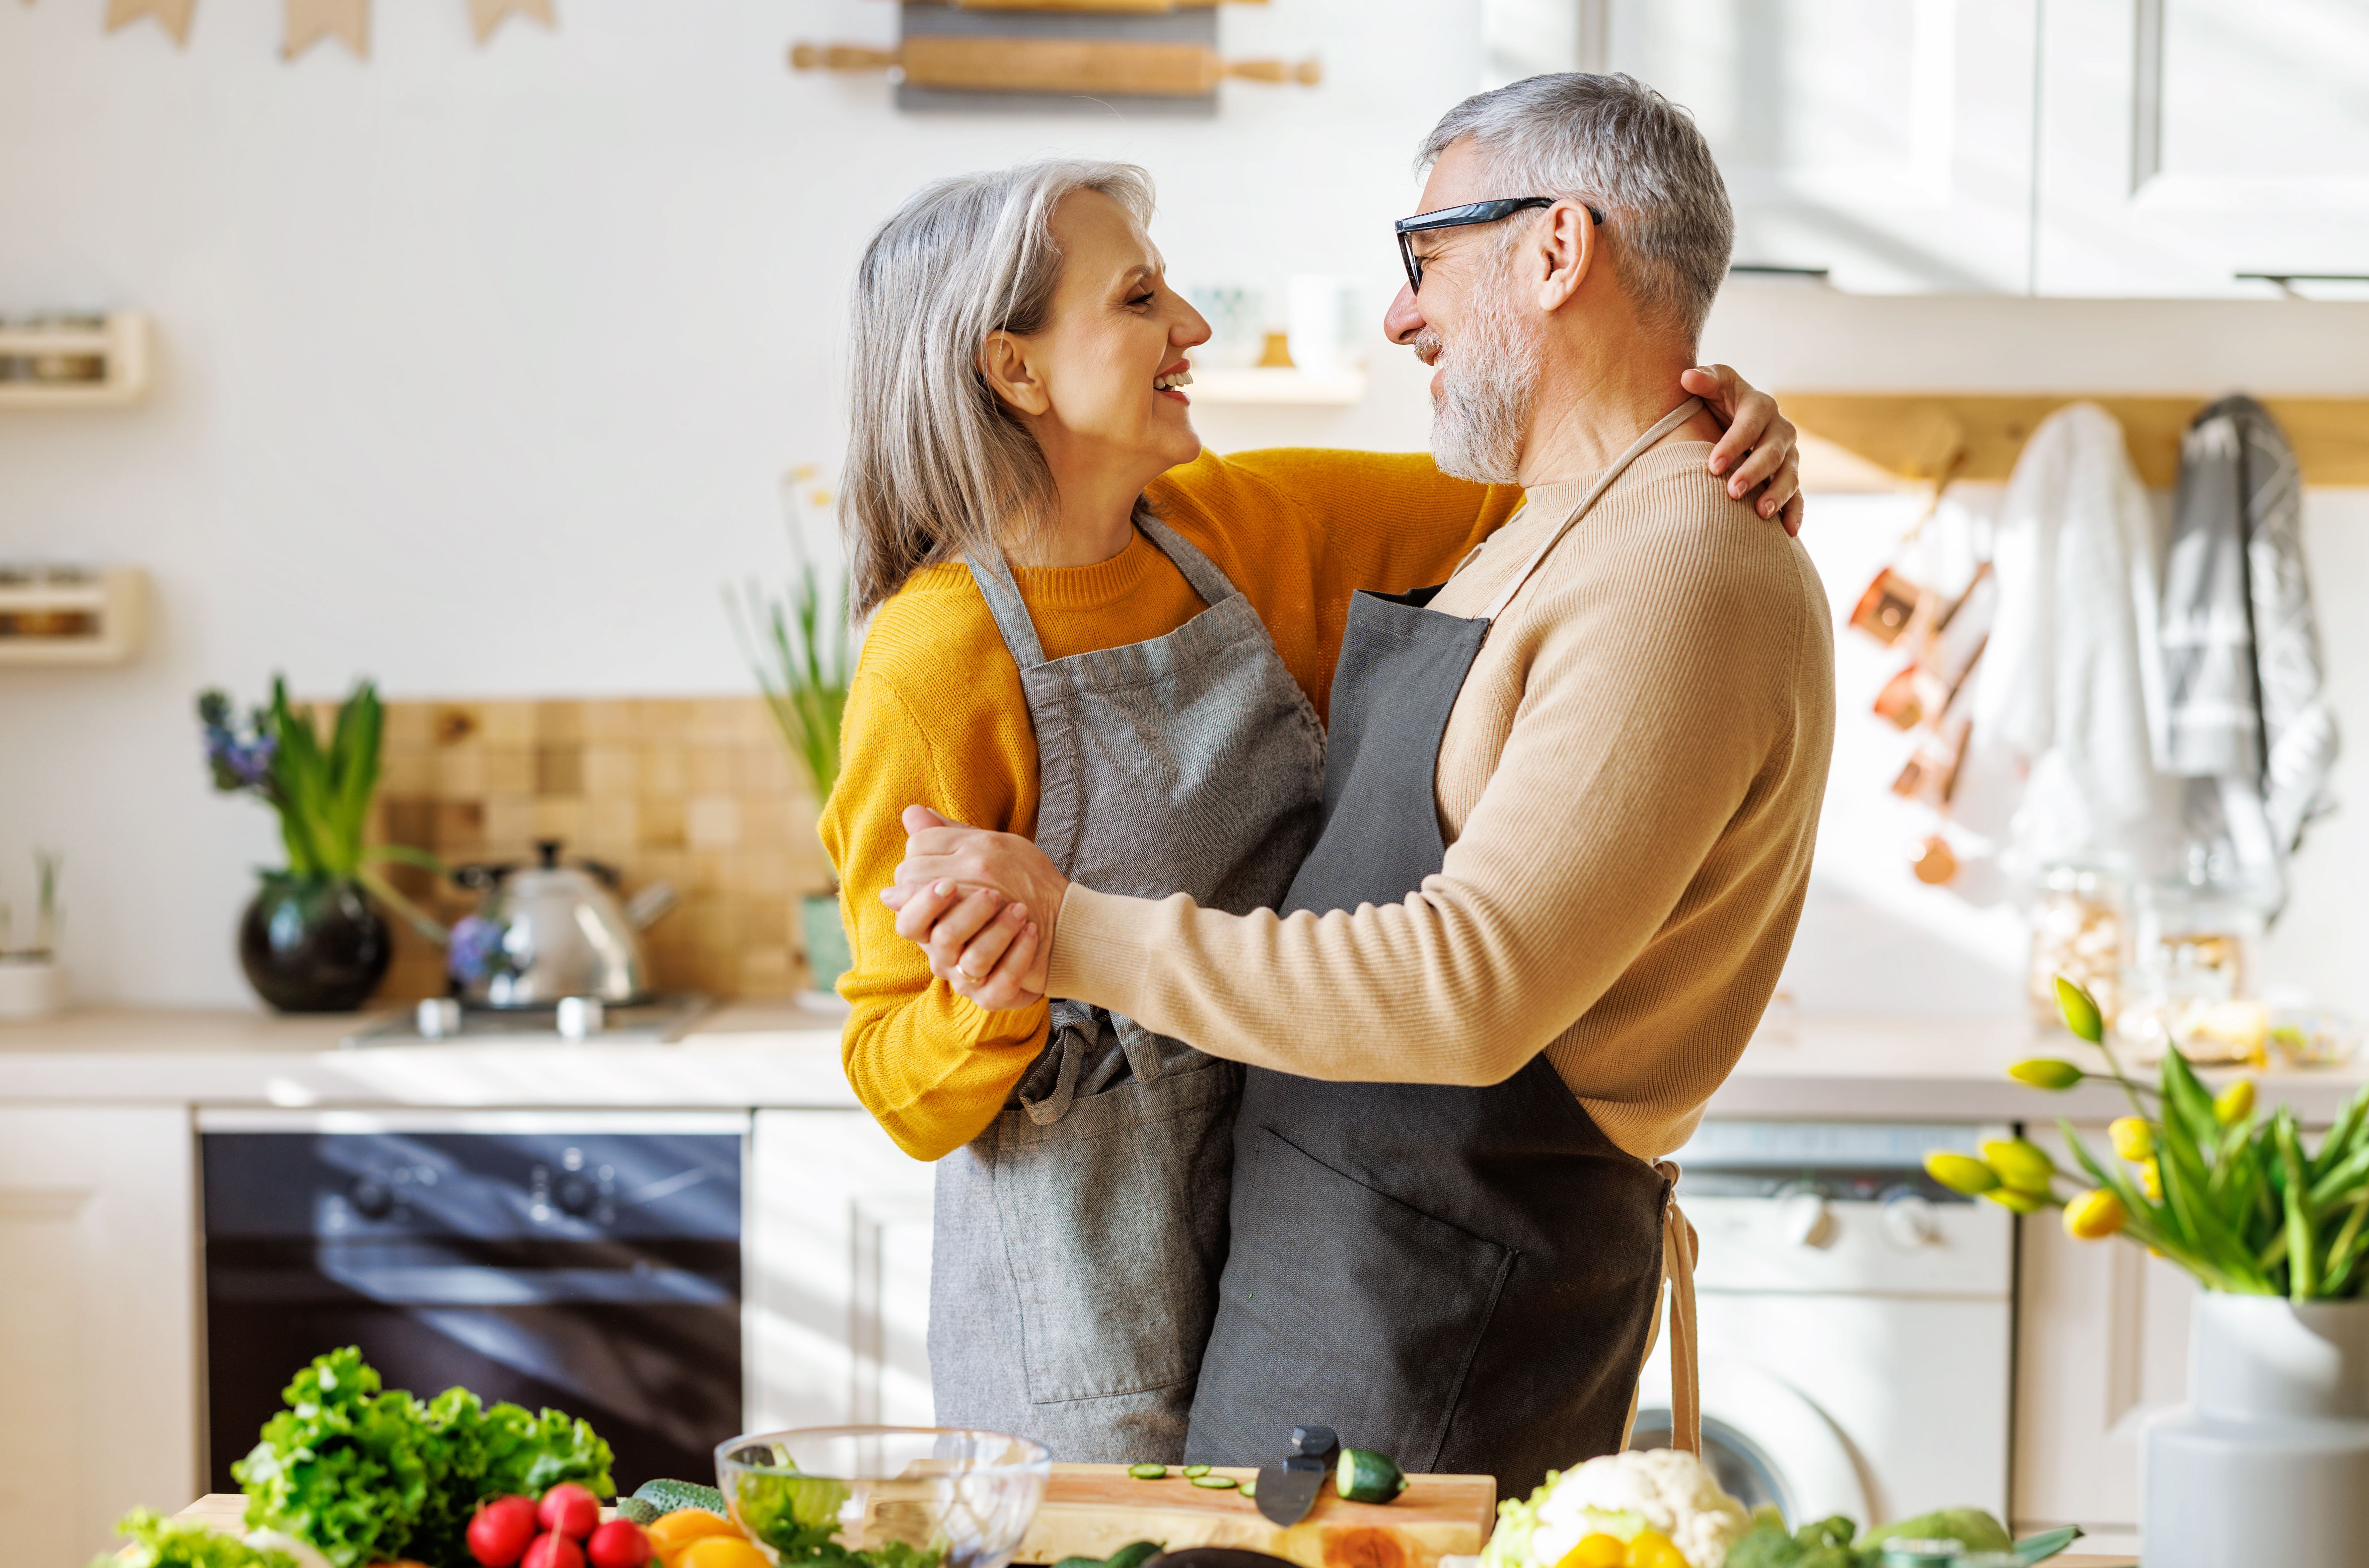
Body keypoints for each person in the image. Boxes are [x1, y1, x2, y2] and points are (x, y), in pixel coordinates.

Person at [885, 73, 1836, 1496]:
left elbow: (1466, 984)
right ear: (1009, 366)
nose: (1400, 312)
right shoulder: (1542, 525)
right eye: (1140, 299)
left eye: (1425, 256)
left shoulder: (1673, 563)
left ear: (1559, 249)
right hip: (1310, 1267)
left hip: (1447, 1303)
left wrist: (1065, 928)